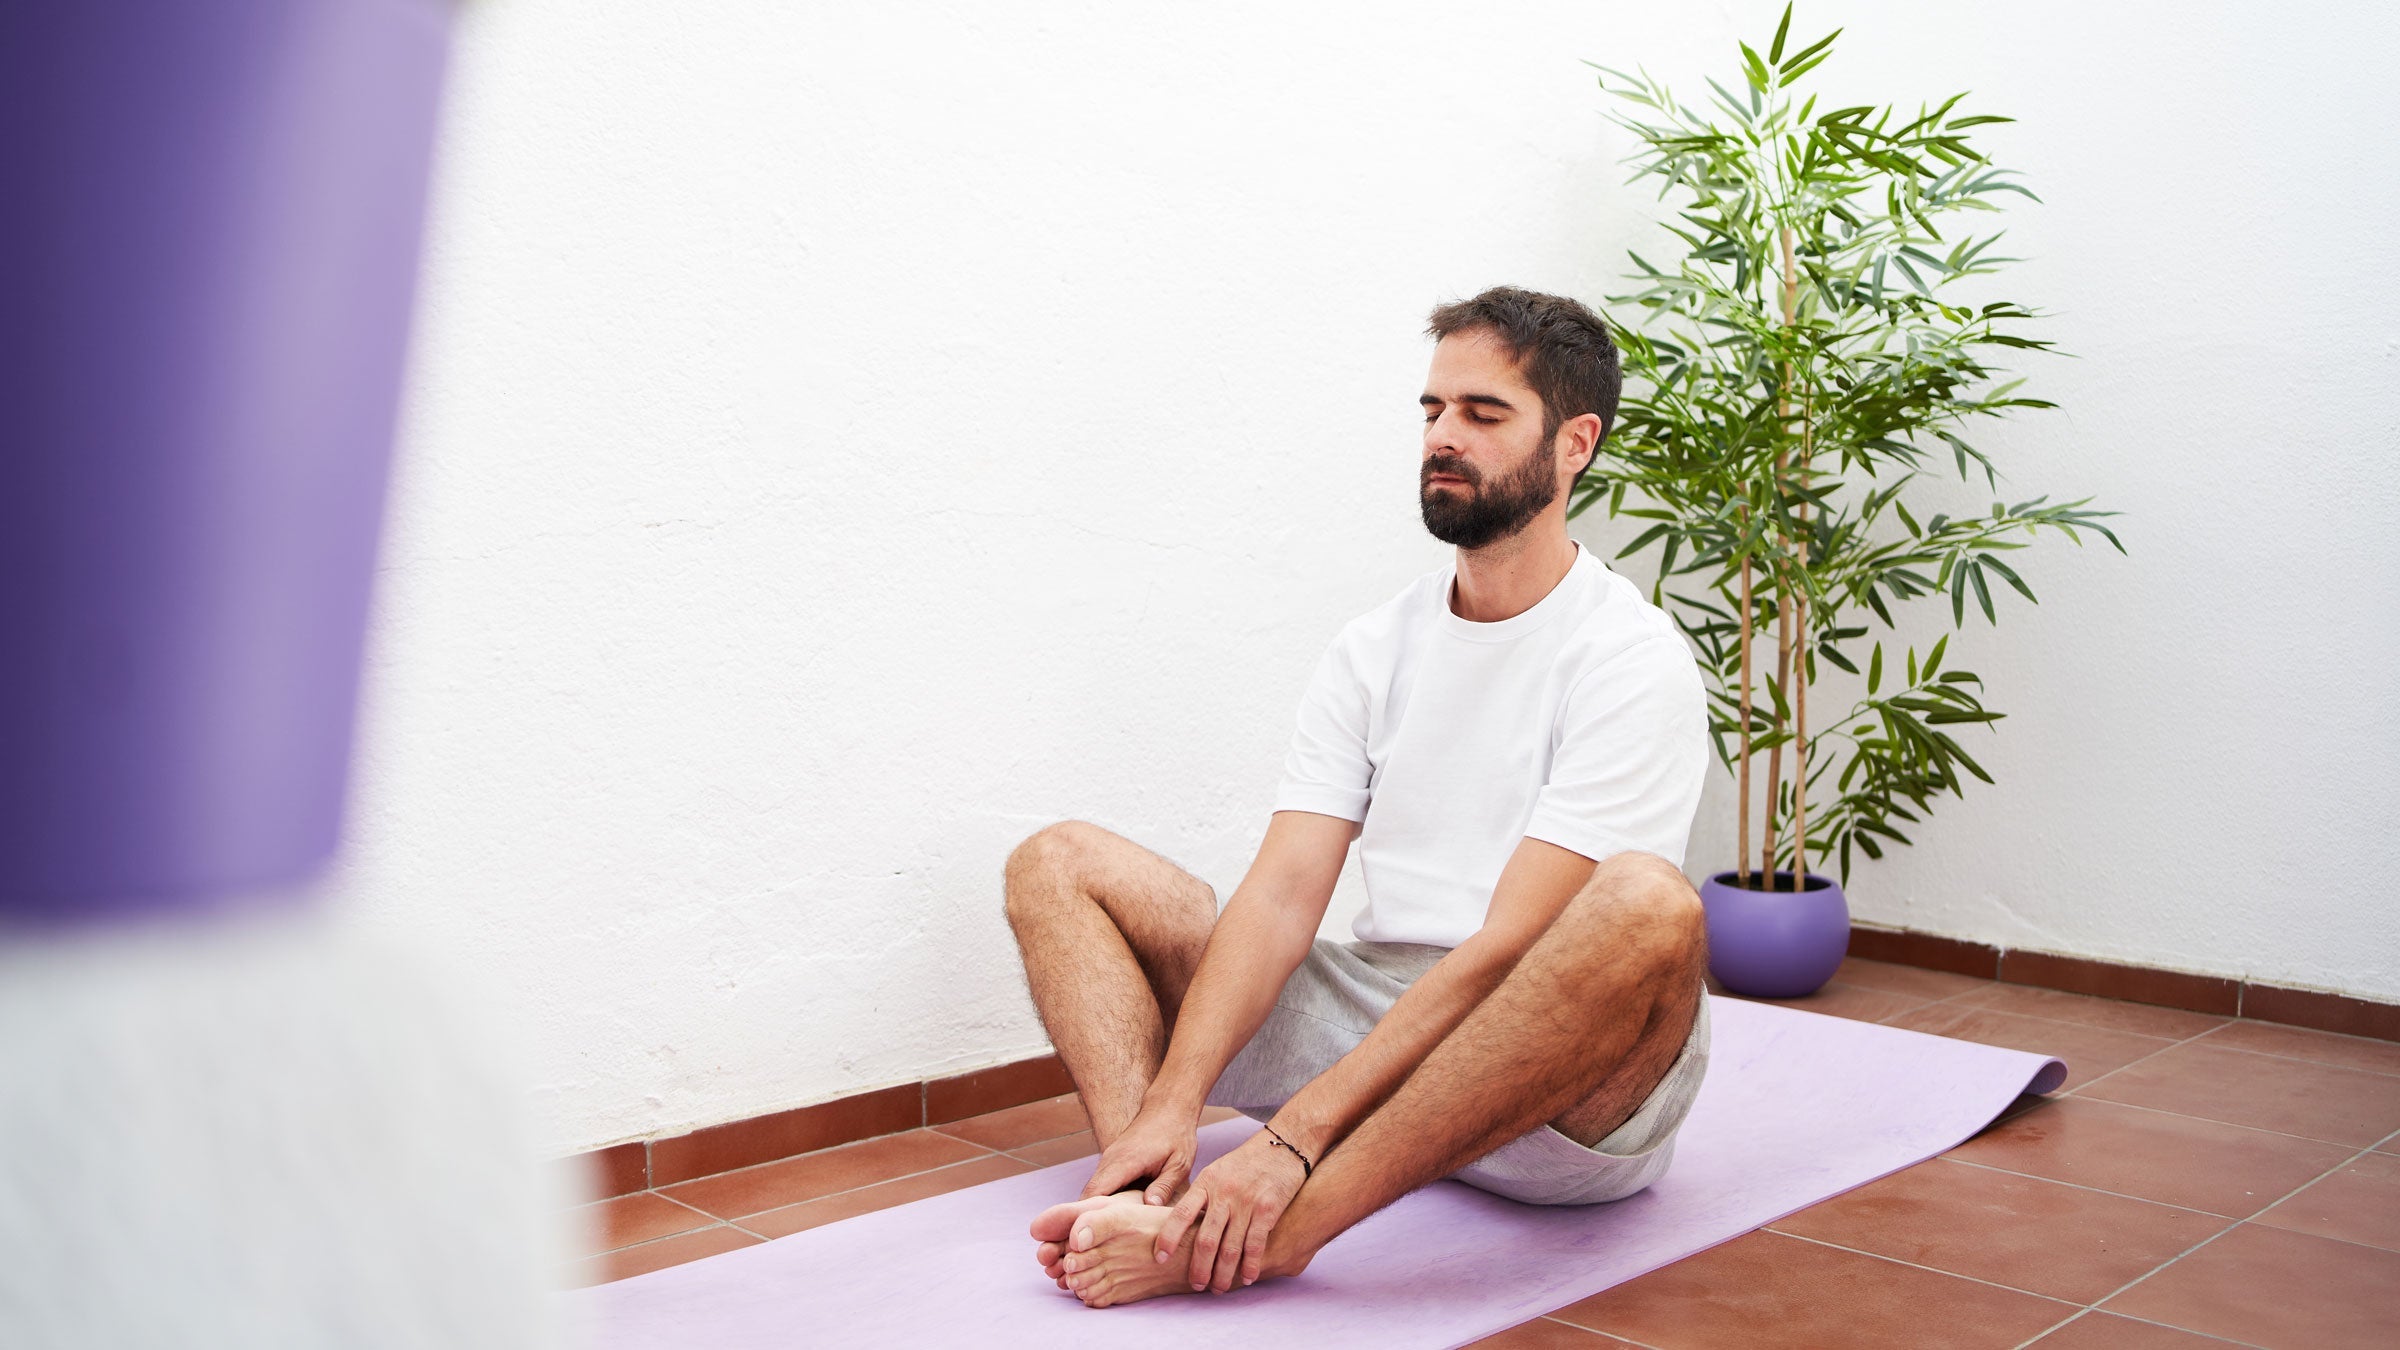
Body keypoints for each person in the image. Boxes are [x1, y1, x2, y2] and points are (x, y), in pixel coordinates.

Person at [1001, 285, 1712, 1309]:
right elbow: (1286, 894)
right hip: (1375, 1018)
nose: (1444, 437)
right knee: (1058, 861)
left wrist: (1292, 1141)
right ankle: (1151, 1192)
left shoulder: (1628, 657)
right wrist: (1173, 1102)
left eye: (1483, 413)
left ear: (1575, 443)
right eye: (1432, 410)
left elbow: (1512, 951)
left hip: (1555, 1092)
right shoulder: (1375, 646)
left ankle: (1281, 1234)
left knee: (1649, 901)